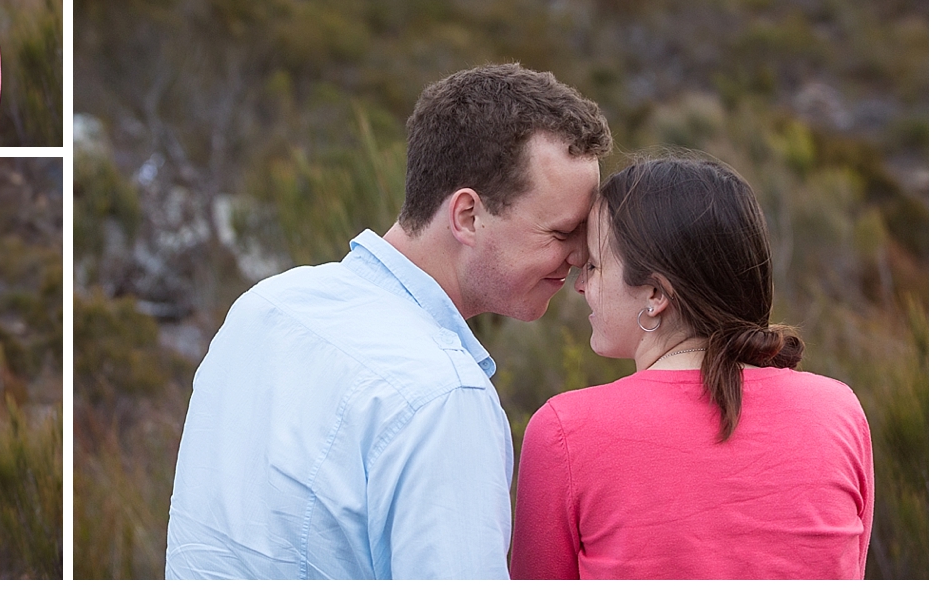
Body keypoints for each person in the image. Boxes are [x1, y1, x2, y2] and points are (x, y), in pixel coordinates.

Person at [166, 63, 613, 579]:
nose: (582, 255)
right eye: (562, 232)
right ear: (467, 216)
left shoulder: (265, 307)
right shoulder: (442, 396)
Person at [510, 157, 874, 579]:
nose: (580, 283)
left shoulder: (564, 432)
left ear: (655, 293)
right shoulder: (838, 412)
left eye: (593, 265)